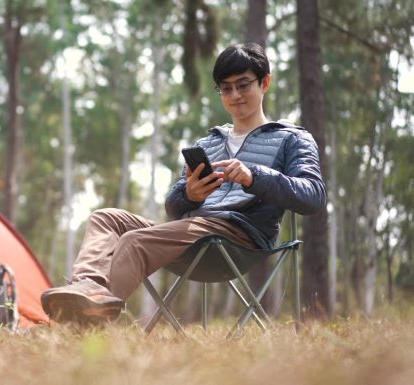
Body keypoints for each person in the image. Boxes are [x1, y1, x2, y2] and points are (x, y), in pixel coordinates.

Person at [40, 42, 327, 324]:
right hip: (193, 233)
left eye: (243, 85)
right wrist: (190, 195)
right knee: (106, 218)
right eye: (226, 88)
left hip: (240, 239)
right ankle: (87, 287)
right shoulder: (208, 143)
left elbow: (313, 196)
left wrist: (256, 176)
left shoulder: (293, 138)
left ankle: (75, 329)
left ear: (265, 82)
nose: (235, 95)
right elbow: (174, 207)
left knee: (133, 240)